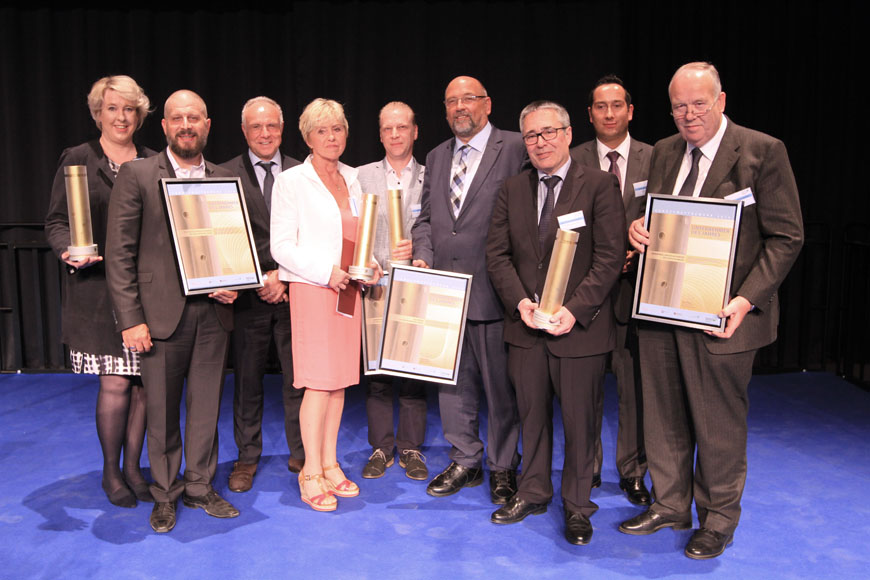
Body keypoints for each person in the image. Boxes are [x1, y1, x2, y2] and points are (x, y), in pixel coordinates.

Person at [620, 62, 804, 559]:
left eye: (698, 103)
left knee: (717, 420)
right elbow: (657, 215)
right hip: (662, 309)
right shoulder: (662, 152)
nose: (688, 114)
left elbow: (787, 236)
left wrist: (746, 300)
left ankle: (718, 518)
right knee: (663, 415)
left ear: (721, 100)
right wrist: (638, 228)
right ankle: (671, 504)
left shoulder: (762, 151)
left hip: (724, 315)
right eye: (679, 105)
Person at [486, 101, 625, 545]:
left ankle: (579, 506)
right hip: (526, 329)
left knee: (582, 423)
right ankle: (533, 490)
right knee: (531, 416)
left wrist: (574, 310)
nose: (540, 142)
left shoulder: (600, 185)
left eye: (548, 133)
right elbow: (497, 255)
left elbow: (608, 258)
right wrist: (520, 304)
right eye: (531, 136)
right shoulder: (512, 188)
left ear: (567, 134)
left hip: (579, 330)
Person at [106, 89, 240, 533]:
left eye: (195, 117)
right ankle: (165, 494)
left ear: (207, 125)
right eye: (177, 118)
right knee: (161, 412)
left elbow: (233, 247)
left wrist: (233, 281)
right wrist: (130, 318)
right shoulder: (138, 173)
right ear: (164, 126)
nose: (186, 125)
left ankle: (200, 487)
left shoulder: (225, 178)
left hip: (213, 316)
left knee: (206, 409)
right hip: (158, 318)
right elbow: (120, 254)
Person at [411, 75, 524, 504]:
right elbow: (425, 220)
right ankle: (465, 458)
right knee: (452, 385)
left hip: (496, 292)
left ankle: (502, 466)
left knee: (501, 388)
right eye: (452, 101)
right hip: (444, 292)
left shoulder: (514, 148)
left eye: (469, 99)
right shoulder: (436, 156)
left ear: (488, 104)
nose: (461, 107)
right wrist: (423, 254)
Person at [45, 75, 156, 509]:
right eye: (112, 108)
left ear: (140, 115)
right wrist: (65, 250)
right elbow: (56, 221)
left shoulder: (152, 160)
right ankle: (112, 471)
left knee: (145, 386)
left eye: (129, 109)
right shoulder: (77, 159)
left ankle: (134, 468)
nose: (121, 116)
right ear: (98, 114)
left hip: (145, 292)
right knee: (115, 384)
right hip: (95, 292)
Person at [271, 98, 380, 512]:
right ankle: (310, 471)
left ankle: (331, 462)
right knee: (317, 384)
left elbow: (360, 235)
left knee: (338, 384)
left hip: (350, 290)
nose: (331, 137)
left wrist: (369, 265)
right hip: (315, 290)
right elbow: (281, 246)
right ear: (307, 137)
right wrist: (325, 271)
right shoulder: (291, 182)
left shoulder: (354, 178)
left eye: (337, 129)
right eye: (322, 131)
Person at [570, 75, 652, 505]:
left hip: (634, 294)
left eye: (616, 105)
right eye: (600, 106)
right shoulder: (572, 158)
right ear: (589, 114)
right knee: (584, 390)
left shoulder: (657, 158)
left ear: (630, 110)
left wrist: (633, 253)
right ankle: (587, 467)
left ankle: (634, 470)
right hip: (584, 296)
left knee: (634, 390)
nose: (608, 113)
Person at [220, 96, 304, 492]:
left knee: (297, 380)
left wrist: (283, 277)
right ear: (244, 131)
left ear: (282, 129)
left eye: (271, 125)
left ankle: (303, 453)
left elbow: (311, 235)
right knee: (247, 383)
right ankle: (246, 457)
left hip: (295, 294)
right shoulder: (224, 174)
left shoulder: (303, 173)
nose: (265, 133)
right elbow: (225, 237)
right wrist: (261, 279)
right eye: (257, 126)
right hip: (248, 297)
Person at [356, 101, 428, 481]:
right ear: (380, 134)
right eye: (388, 128)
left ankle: (411, 447)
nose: (395, 134)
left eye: (402, 127)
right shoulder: (361, 177)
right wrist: (366, 261)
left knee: (414, 376)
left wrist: (420, 254)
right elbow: (351, 230)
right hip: (375, 290)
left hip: (415, 288)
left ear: (415, 131)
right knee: (378, 377)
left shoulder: (432, 177)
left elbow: (433, 227)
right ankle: (382, 447)